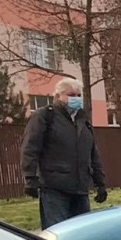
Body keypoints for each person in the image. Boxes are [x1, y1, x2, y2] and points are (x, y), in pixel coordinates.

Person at [19, 78, 106, 230]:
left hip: (80, 189)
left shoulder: (83, 120)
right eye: (71, 95)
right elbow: (30, 147)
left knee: (83, 233)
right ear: (58, 96)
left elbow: (92, 154)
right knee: (59, 233)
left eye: (79, 95)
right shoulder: (45, 116)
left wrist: (100, 183)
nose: (76, 99)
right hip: (55, 188)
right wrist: (30, 177)